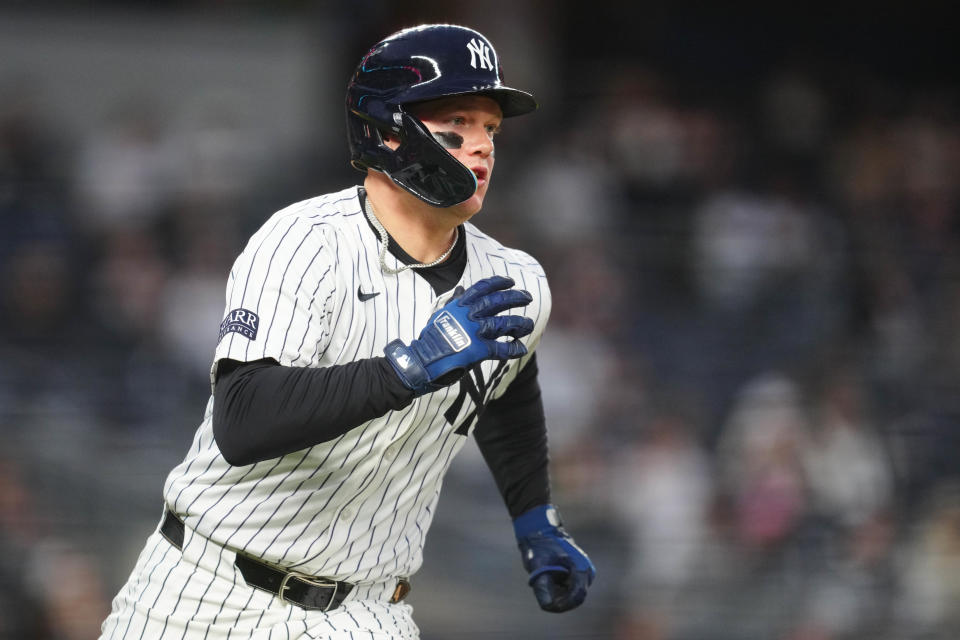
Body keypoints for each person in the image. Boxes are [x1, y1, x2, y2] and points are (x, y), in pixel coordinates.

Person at [99, 23, 595, 640]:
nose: (483, 145)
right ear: (389, 132)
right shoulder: (304, 241)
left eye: (490, 128)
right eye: (458, 123)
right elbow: (242, 419)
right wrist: (406, 369)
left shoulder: (516, 277)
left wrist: (535, 520)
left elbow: (507, 387)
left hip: (368, 611)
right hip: (208, 591)